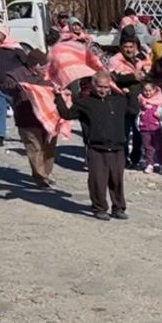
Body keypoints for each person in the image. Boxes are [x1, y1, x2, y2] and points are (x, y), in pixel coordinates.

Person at [56, 71, 137, 220]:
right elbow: (67, 114)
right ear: (93, 85)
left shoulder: (119, 101)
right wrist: (58, 98)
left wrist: (131, 94)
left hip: (118, 148)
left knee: (117, 180)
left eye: (106, 87)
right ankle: (100, 208)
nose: (103, 90)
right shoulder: (84, 103)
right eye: (100, 87)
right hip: (96, 148)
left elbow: (133, 110)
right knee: (98, 181)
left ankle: (118, 208)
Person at [6, 49, 56, 186]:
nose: (46, 70)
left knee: (49, 147)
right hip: (27, 118)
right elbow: (6, 86)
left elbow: (59, 88)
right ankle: (40, 177)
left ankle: (47, 172)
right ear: (34, 66)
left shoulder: (50, 75)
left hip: (49, 119)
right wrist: (18, 87)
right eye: (43, 67)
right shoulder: (17, 75)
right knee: (34, 148)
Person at [110, 36, 151, 167]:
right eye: (126, 47)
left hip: (138, 101)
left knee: (139, 132)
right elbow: (114, 77)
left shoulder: (138, 60)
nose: (128, 49)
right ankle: (123, 157)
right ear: (121, 47)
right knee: (124, 133)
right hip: (123, 102)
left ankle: (136, 157)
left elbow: (147, 76)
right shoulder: (115, 60)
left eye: (131, 47)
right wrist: (133, 77)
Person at [136, 80, 162, 172]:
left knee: (159, 147)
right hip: (144, 128)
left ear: (155, 90)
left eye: (150, 90)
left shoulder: (159, 100)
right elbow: (138, 112)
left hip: (156, 128)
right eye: (145, 91)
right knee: (147, 147)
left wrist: (161, 114)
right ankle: (149, 164)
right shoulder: (141, 100)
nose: (148, 93)